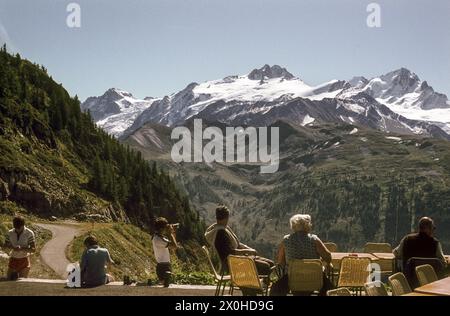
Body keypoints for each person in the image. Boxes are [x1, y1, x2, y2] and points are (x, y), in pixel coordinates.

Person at [270, 214, 333, 296]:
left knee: (276, 284)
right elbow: (328, 257)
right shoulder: (314, 240)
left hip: (292, 280)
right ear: (307, 226)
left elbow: (281, 263)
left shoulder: (286, 240)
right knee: (329, 286)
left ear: (293, 226)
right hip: (314, 280)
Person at [204, 205, 274, 278]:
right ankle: (253, 286)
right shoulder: (221, 233)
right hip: (234, 264)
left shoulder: (221, 228)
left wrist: (248, 249)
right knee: (266, 267)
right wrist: (249, 251)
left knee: (271, 263)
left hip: (236, 260)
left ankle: (259, 285)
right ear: (226, 218)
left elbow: (236, 244)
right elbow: (231, 252)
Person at [3, 216, 35, 280]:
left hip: (24, 260)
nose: (17, 229)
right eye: (15, 227)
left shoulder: (29, 233)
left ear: (23, 225)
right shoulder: (10, 233)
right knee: (8, 281)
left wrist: (22, 248)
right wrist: (13, 247)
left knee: (22, 283)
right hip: (13, 259)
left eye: (19, 228)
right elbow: (5, 245)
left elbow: (33, 249)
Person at [152, 217, 178, 287]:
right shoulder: (158, 240)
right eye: (165, 227)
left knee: (166, 287)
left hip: (164, 265)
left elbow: (173, 246)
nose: (166, 229)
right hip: (163, 267)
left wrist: (172, 232)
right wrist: (170, 234)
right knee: (165, 288)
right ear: (161, 228)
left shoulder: (161, 238)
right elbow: (174, 246)